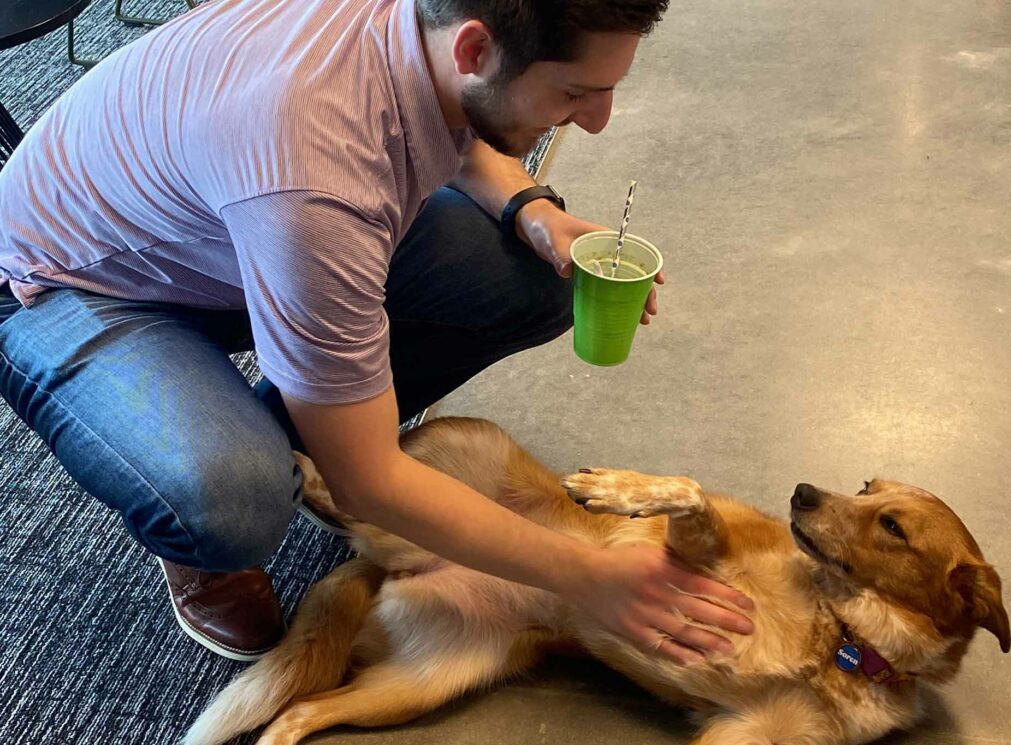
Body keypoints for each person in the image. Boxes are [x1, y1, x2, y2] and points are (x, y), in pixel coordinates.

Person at [0, 0, 753, 665]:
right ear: (473, 47)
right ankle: (215, 503)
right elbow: (369, 482)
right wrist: (590, 575)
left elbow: (463, 121)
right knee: (237, 495)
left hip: (210, 228)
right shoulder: (316, 179)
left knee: (534, 278)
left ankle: (303, 411)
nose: (598, 119)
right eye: (576, 91)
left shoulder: (423, 28)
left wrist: (537, 211)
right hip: (72, 279)